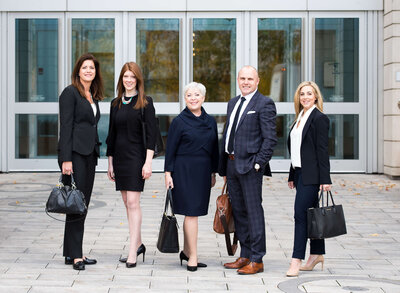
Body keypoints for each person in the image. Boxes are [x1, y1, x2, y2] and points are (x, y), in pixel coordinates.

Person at [219, 66, 277, 275]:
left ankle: (257, 258)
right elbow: (228, 134)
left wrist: (258, 164)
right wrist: (223, 166)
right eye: (242, 78)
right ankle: (244, 255)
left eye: (249, 79)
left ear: (258, 81)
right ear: (238, 79)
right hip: (232, 165)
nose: (245, 82)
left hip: (251, 167)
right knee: (240, 212)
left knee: (253, 212)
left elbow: (270, 139)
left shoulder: (264, 103)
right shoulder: (233, 103)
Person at [164, 82, 219, 272]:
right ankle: (193, 256)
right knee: (191, 212)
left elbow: (214, 150)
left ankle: (187, 251)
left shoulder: (210, 121)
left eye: (197, 95)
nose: (193, 98)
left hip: (203, 171)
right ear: (185, 98)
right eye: (189, 95)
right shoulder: (179, 121)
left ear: (203, 98)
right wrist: (167, 174)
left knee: (193, 212)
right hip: (183, 170)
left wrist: (213, 172)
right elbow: (170, 149)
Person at [106, 62, 156, 268]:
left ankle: (132, 250)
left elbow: (152, 135)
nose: (129, 80)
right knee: (128, 203)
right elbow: (111, 134)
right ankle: (139, 243)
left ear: (138, 80)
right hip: (119, 158)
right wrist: (110, 163)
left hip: (137, 158)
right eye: (125, 77)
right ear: (121, 79)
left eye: (132, 77)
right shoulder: (115, 103)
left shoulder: (145, 102)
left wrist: (148, 163)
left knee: (134, 203)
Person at [58, 53, 104, 271]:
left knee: (79, 203)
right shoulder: (70, 93)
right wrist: (66, 159)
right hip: (75, 155)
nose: (88, 71)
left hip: (89, 155)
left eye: (92, 68)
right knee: (77, 205)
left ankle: (72, 251)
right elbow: (66, 127)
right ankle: (76, 255)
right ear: (78, 71)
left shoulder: (91, 94)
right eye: (85, 67)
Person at [286, 81, 332, 277]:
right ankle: (316, 254)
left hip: (311, 175)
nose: (305, 97)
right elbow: (297, 149)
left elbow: (322, 151)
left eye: (309, 94)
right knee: (312, 214)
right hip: (299, 173)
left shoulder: (319, 118)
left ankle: (296, 260)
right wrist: (291, 174)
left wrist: (326, 179)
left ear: (315, 97)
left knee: (300, 215)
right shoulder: (300, 118)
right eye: (302, 94)